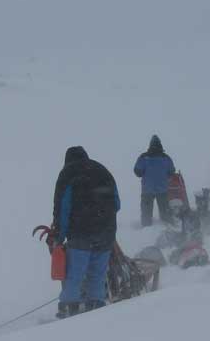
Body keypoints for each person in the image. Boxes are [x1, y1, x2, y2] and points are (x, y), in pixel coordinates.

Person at [51, 146, 120, 318]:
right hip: (106, 233)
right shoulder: (103, 171)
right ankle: (96, 309)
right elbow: (117, 204)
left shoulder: (67, 174)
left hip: (81, 233)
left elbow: (63, 210)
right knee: (97, 276)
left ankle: (69, 310)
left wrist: (59, 237)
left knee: (74, 275)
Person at [133, 135, 176, 226]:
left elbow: (137, 172)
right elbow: (172, 171)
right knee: (165, 215)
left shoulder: (144, 157)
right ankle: (167, 229)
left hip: (147, 190)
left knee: (146, 215)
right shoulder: (166, 158)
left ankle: (145, 231)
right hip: (162, 190)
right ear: (160, 145)